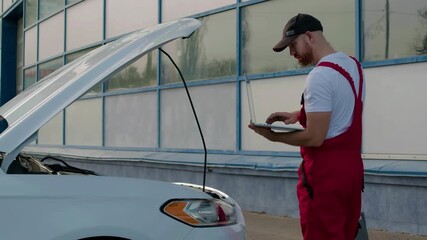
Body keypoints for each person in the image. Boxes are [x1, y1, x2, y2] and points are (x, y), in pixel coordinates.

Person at [248, 13, 366, 240]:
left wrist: (273, 136)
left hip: (325, 176)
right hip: (351, 172)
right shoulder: (354, 66)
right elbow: (343, 107)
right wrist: (299, 114)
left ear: (309, 36)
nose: (292, 53)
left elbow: (315, 137)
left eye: (293, 45)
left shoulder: (319, 76)